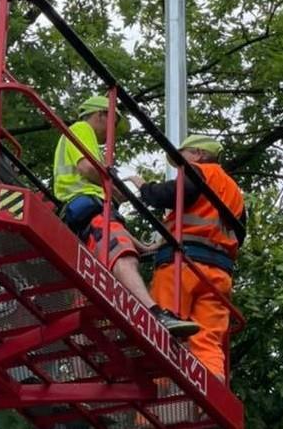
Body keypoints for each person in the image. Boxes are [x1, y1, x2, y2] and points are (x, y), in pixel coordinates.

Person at [54, 95, 199, 338]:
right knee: (124, 259)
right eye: (112, 124)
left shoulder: (73, 138)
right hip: (90, 209)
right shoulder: (81, 128)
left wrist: (144, 246)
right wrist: (116, 187)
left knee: (91, 293)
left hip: (88, 215)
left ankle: (79, 359)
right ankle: (155, 315)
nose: (111, 135)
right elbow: (88, 168)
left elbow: (110, 226)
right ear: (101, 114)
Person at [128, 134, 245, 378]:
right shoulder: (234, 191)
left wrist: (145, 188)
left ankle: (160, 406)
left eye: (183, 154)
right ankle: (213, 394)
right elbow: (239, 233)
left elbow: (171, 194)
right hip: (219, 274)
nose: (180, 163)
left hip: (183, 265)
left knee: (165, 327)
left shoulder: (199, 171)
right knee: (208, 340)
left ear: (199, 154)